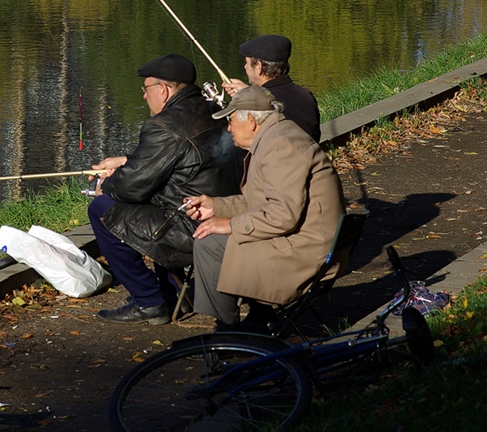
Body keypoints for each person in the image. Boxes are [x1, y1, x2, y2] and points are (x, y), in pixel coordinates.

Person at [88, 54, 243, 325]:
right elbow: (178, 161)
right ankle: (169, 292)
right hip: (229, 208)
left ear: (164, 89)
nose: (145, 97)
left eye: (146, 89)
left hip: (192, 221)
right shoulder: (213, 109)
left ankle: (149, 301)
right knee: (143, 199)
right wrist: (126, 162)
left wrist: (107, 185)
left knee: (101, 208)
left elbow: (130, 187)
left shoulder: (164, 125)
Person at [184, 84, 345, 331]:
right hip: (310, 239)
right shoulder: (278, 134)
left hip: (306, 252)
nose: (228, 128)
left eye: (230, 120)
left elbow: (282, 215)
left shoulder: (279, 146)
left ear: (250, 119)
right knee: (217, 232)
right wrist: (217, 206)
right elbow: (263, 203)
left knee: (209, 243)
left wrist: (230, 225)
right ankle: (259, 317)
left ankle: (227, 329)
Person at [222, 34, 321, 142]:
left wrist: (250, 96)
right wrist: (248, 93)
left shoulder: (262, 106)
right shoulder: (305, 95)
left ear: (259, 67)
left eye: (247, 63)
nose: (245, 67)